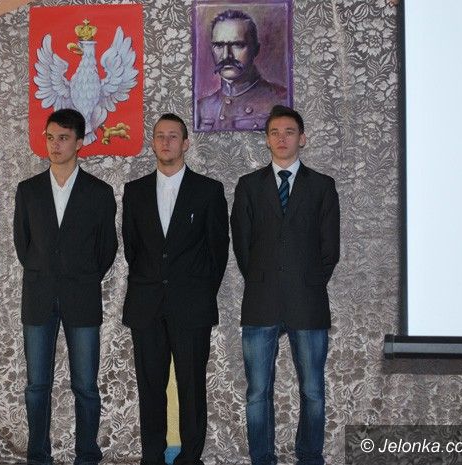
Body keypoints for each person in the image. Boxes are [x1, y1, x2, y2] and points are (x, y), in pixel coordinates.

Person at [230, 105, 340, 465]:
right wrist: (263, 280)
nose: (282, 138)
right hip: (260, 301)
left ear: (302, 139)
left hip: (308, 303)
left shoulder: (322, 186)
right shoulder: (248, 186)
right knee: (257, 392)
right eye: (275, 132)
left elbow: (330, 249)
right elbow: (242, 246)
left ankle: (309, 457)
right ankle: (262, 458)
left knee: (313, 391)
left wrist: (306, 284)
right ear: (266, 140)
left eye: (289, 132)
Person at [122, 113, 229, 465]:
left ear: (185, 143)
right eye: (159, 136)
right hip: (146, 304)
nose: (165, 142)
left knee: (192, 387)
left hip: (192, 306)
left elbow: (218, 251)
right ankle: (151, 457)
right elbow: (132, 249)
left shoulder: (209, 191)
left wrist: (199, 291)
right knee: (150, 387)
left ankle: (190, 458)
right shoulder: (134, 191)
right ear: (152, 143)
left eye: (173, 136)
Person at [13, 108, 118, 465]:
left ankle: (87, 455)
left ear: (79, 142)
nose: (55, 145)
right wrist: (47, 271)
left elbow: (107, 248)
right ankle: (38, 456)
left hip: (82, 296)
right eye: (50, 137)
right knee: (36, 386)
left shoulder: (99, 192)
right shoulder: (28, 191)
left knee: (85, 386)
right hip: (38, 296)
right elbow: (23, 245)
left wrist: (82, 275)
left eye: (63, 138)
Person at [196, 9, 288, 131]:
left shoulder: (282, 100)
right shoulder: (202, 108)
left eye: (237, 45)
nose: (226, 56)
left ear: (256, 50)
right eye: (219, 45)